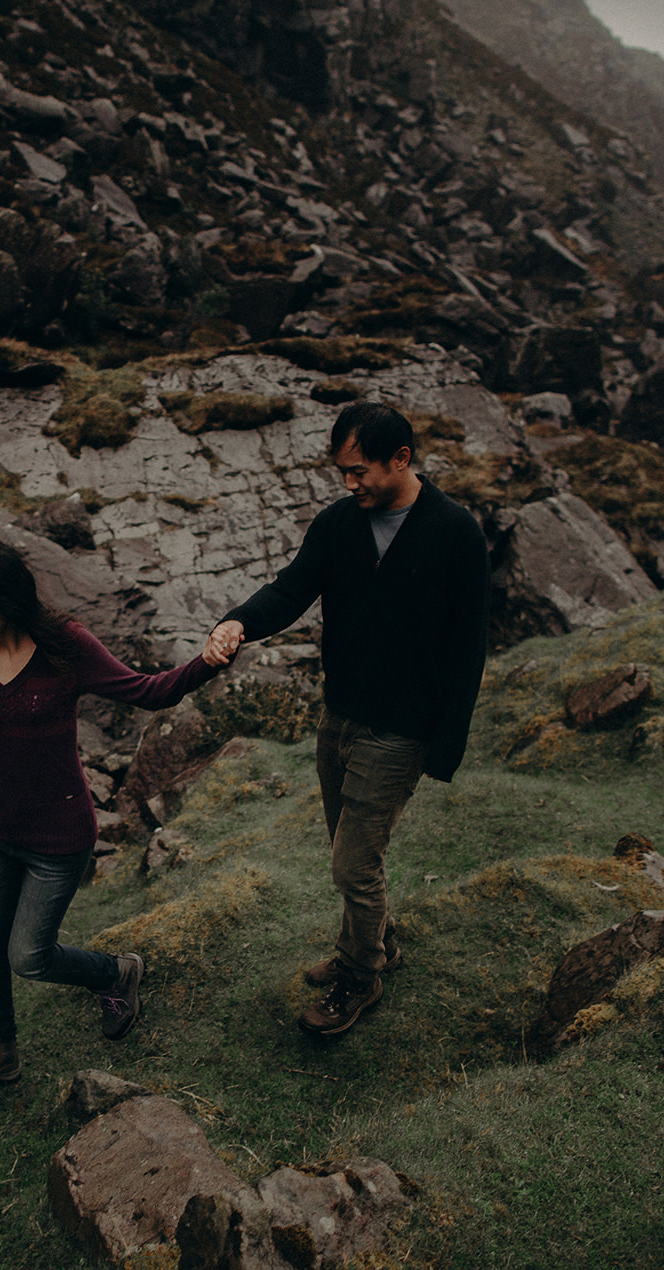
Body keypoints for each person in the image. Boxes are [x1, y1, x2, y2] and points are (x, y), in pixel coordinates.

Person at [206, 401, 490, 1038]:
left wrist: (445, 745)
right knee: (347, 845)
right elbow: (290, 589)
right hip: (341, 717)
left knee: (354, 865)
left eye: (359, 471)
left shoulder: (455, 532)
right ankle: (374, 942)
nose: (349, 484)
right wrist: (237, 621)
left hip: (402, 728)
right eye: (342, 471)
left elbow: (469, 647)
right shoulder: (339, 524)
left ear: (401, 460)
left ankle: (360, 978)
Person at [0, 540, 231, 1095]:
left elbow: (147, 693)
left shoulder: (65, 645)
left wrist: (208, 662)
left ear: (4, 600)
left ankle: (116, 972)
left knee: (28, 955)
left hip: (58, 834)